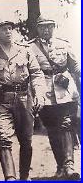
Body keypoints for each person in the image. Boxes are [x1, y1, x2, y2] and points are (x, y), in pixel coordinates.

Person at [0, 18, 46, 180]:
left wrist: (40, 93)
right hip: (1, 102)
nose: (8, 31)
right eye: (3, 29)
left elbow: (37, 74)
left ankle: (24, 176)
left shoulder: (25, 50)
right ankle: (10, 177)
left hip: (24, 99)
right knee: (4, 139)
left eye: (10, 28)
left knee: (26, 140)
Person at [29, 15, 81, 180]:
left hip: (65, 90)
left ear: (54, 27)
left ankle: (69, 165)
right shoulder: (31, 48)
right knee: (52, 129)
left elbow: (76, 68)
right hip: (44, 92)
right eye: (43, 27)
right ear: (37, 28)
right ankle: (60, 165)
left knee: (66, 124)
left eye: (50, 26)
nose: (46, 30)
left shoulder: (64, 44)